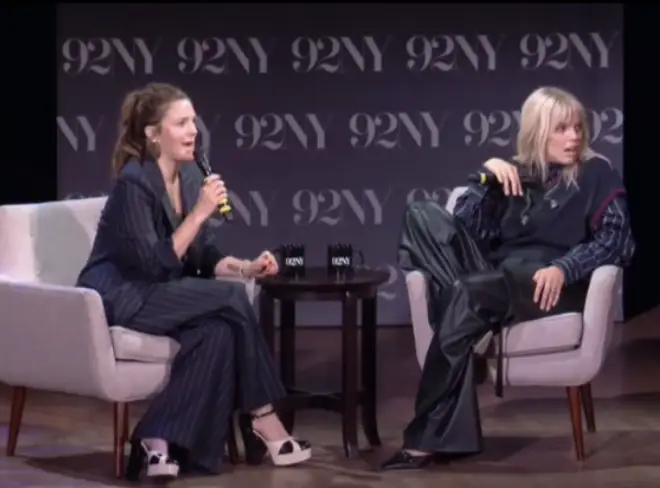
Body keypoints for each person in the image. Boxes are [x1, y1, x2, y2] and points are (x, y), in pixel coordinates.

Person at [381, 86, 635, 471]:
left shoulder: (596, 172)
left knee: (463, 293)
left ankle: (426, 439)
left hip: (546, 286)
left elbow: (618, 240)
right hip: (493, 278)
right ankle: (464, 304)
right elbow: (463, 233)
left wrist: (565, 267)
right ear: (537, 131)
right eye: (562, 129)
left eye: (578, 128)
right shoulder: (514, 173)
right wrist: (485, 180)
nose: (575, 137)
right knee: (421, 215)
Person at [76, 82, 312, 480]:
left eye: (194, 122)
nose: (193, 132)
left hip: (160, 292)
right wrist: (200, 213)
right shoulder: (134, 182)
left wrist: (245, 268)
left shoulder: (187, 179)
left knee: (218, 332)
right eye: (181, 123)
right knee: (233, 302)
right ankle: (265, 417)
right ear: (153, 134)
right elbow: (153, 264)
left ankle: (157, 440)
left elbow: (201, 255)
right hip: (123, 295)